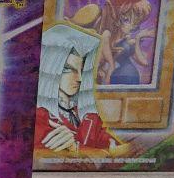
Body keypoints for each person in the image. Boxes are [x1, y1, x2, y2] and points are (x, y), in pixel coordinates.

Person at [34, 23, 116, 152]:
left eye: (81, 70)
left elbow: (115, 149)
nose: (79, 78)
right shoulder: (39, 117)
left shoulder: (86, 115)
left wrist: (76, 148)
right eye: (69, 69)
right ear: (50, 68)